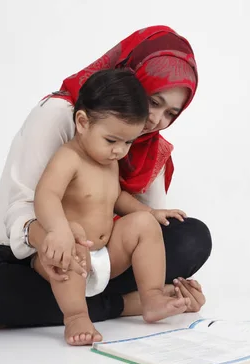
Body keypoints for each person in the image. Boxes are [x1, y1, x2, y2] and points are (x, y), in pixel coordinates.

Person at [0, 25, 212, 330]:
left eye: (171, 113)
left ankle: (142, 300)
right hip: (33, 253)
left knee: (191, 237)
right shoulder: (60, 116)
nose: (156, 120)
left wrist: (153, 223)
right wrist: (56, 234)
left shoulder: (148, 145)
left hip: (105, 255)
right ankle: (115, 306)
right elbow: (32, 200)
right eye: (153, 101)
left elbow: (144, 229)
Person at [35, 69, 192, 345]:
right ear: (82, 122)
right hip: (66, 259)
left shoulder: (109, 160)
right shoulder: (69, 158)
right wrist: (58, 230)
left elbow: (117, 198)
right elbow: (45, 195)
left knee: (145, 225)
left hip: (106, 257)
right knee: (73, 239)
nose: (120, 150)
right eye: (112, 141)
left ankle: (152, 297)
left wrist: (150, 214)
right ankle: (76, 316)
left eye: (128, 142)